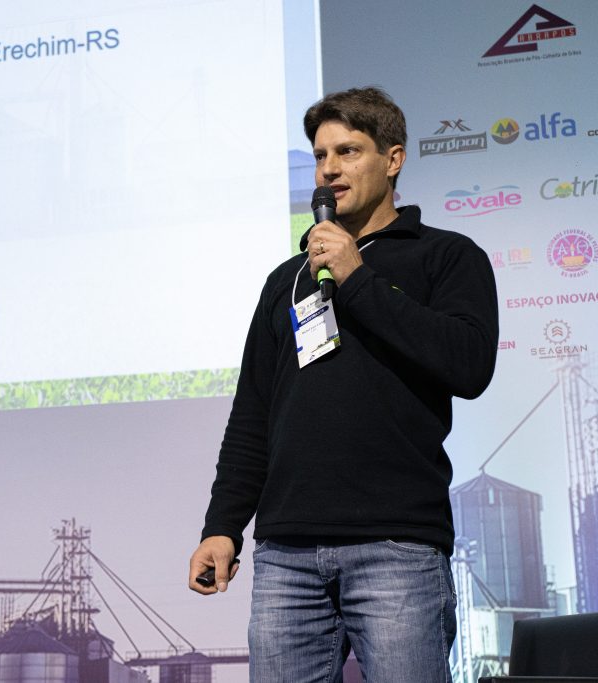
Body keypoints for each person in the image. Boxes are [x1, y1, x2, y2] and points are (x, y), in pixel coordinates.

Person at [187, 86, 498, 682]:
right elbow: (252, 416)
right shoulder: (287, 279)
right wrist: (222, 527)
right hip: (286, 555)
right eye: (320, 156)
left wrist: (357, 277)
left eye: (348, 151)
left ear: (393, 158)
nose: (329, 169)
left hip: (396, 546)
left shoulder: (446, 257)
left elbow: (469, 365)